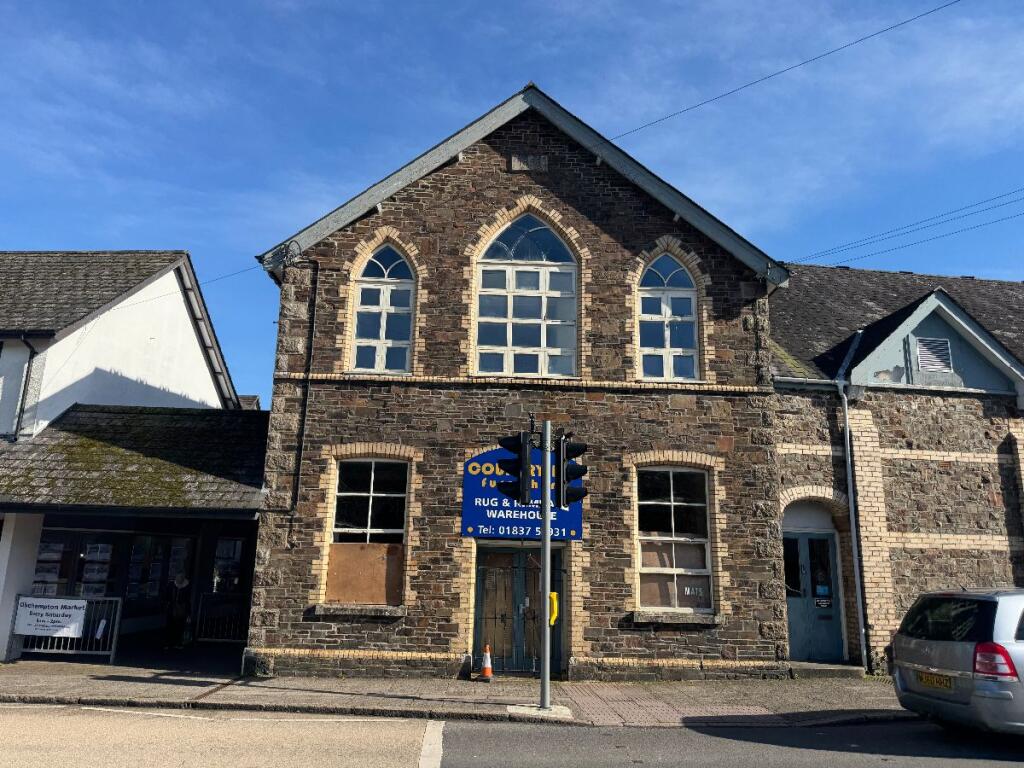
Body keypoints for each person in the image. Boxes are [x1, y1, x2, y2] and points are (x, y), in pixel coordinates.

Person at [164, 573, 192, 649]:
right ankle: (169, 643)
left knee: (179, 626)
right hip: (173, 607)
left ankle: (176, 643)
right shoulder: (171, 585)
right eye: (178, 577)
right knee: (170, 625)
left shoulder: (186, 586)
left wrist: (188, 613)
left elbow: (187, 600)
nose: (179, 579)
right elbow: (167, 596)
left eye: (181, 577)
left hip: (180, 608)